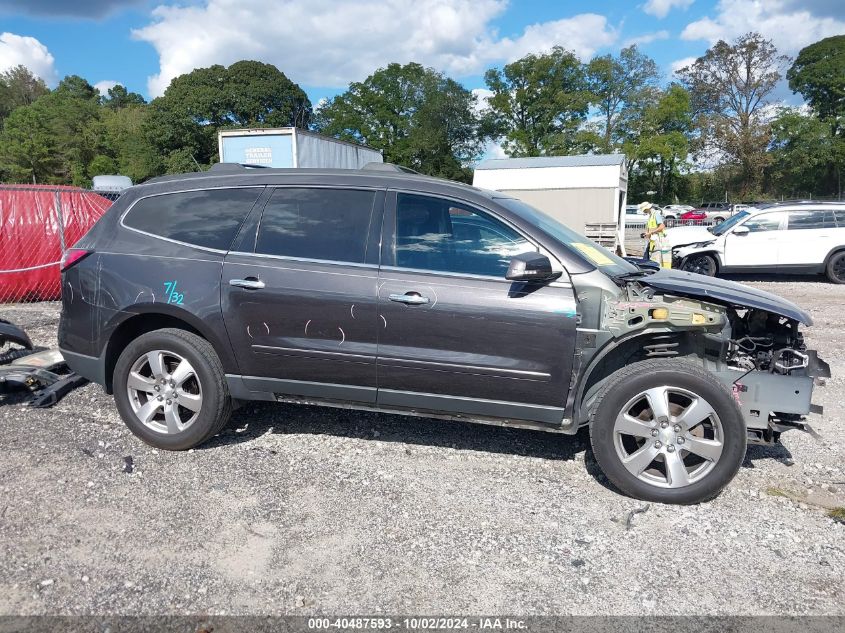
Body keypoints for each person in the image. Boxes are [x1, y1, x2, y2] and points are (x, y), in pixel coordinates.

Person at [638, 201, 669, 267]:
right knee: (648, 259)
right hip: (653, 241)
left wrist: (651, 233)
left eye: (644, 210)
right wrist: (647, 233)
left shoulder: (656, 214)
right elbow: (652, 228)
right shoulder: (651, 215)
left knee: (654, 261)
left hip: (657, 241)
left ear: (647, 208)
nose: (644, 212)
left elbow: (661, 226)